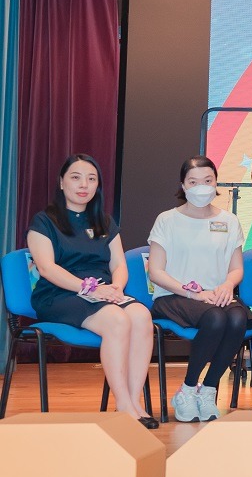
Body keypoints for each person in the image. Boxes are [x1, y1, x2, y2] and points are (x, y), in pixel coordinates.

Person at [26, 154, 158, 428]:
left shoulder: (105, 222)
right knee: (117, 320)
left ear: (98, 185)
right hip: (59, 294)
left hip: (103, 292)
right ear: (62, 182)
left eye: (91, 178)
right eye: (76, 177)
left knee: (141, 316)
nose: (83, 184)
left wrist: (116, 288)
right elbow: (47, 268)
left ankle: (135, 401)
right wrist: (90, 290)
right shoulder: (44, 221)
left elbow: (119, 264)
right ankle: (123, 405)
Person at [146, 156, 249, 422]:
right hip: (175, 296)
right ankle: (188, 388)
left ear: (216, 183)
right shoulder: (167, 220)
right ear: (183, 185)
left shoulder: (229, 220)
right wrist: (193, 293)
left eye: (207, 180)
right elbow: (156, 271)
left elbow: (236, 268)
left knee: (238, 318)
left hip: (215, 295)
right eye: (193, 182)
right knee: (215, 318)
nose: (201, 187)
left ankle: (209, 389)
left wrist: (227, 285)